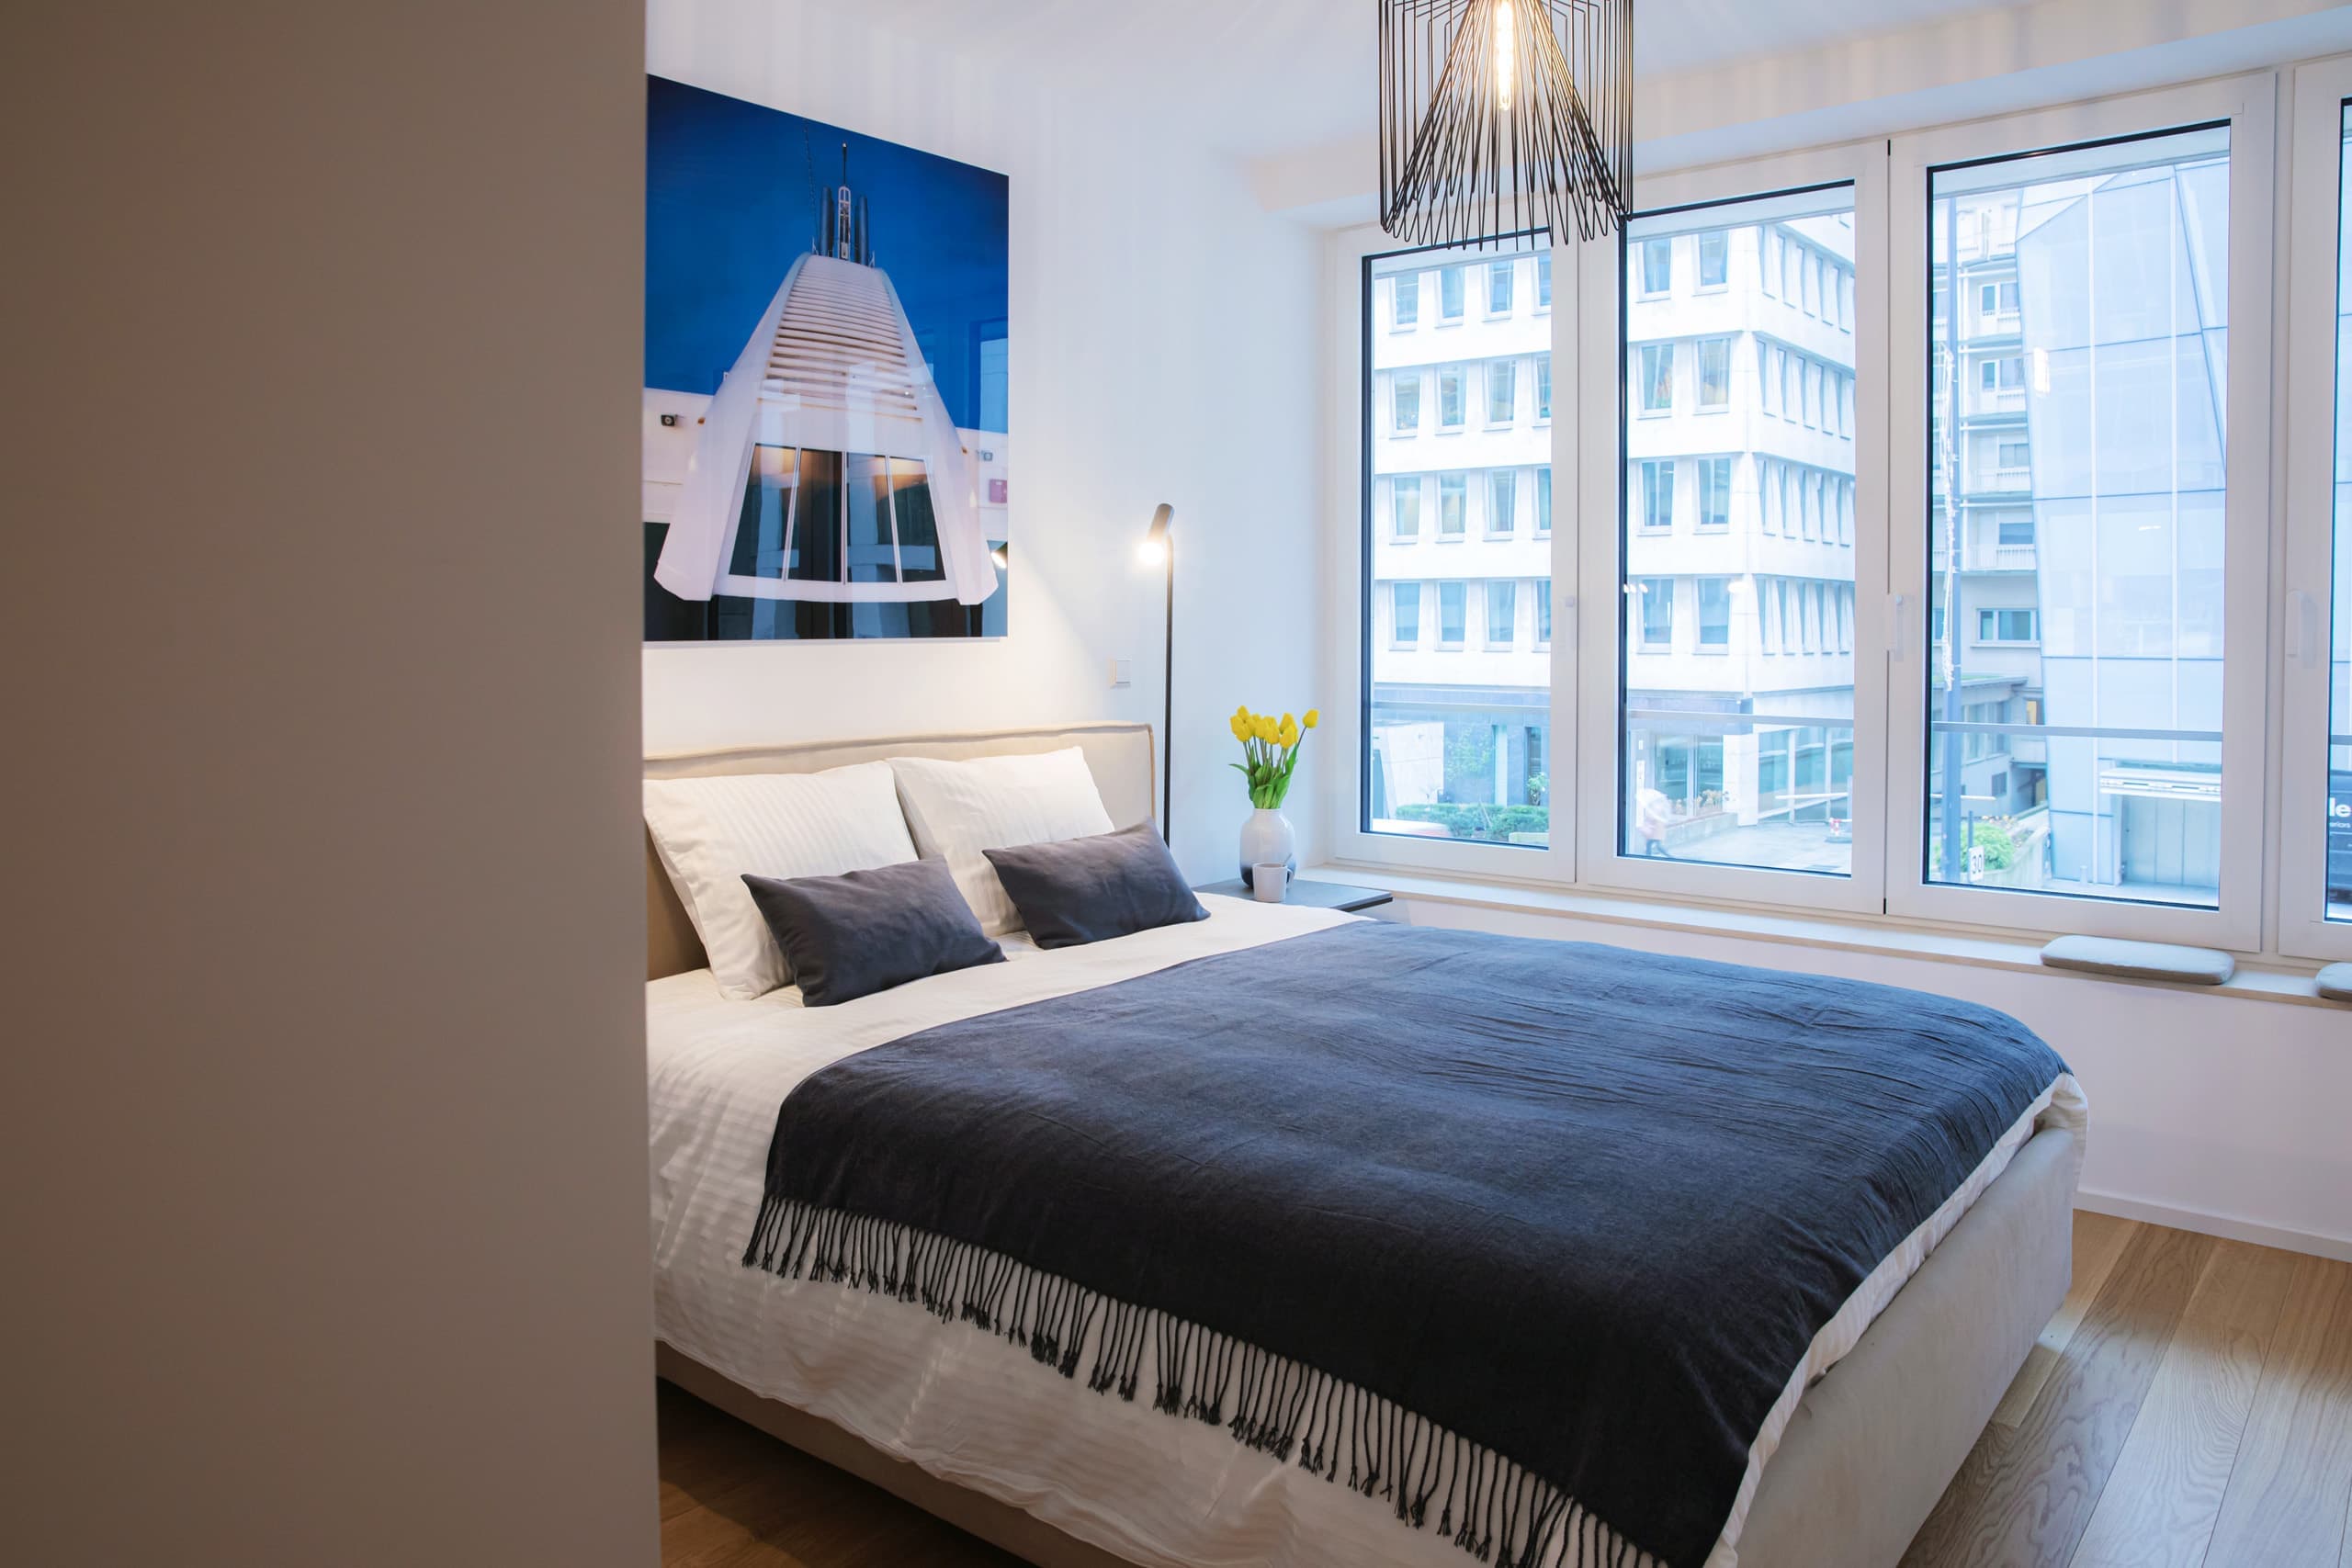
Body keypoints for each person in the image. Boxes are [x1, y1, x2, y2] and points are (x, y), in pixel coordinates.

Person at [1635, 786, 1676, 859]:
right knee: (1650, 843)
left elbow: (1653, 817)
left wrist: (1649, 816)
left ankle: (1668, 856)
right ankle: (1649, 856)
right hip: (1655, 829)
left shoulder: (1657, 807)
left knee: (1657, 844)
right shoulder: (1656, 807)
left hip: (1656, 829)